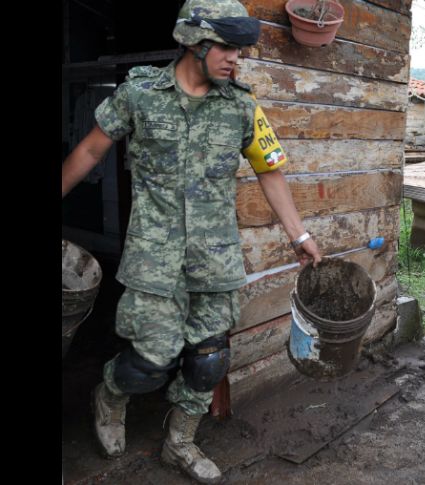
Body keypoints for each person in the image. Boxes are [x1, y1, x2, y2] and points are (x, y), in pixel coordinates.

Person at [61, 1, 322, 482]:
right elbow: (91, 149)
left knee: (209, 360)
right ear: (193, 42)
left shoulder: (242, 106)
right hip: (153, 258)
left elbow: (270, 171)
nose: (235, 58)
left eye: (240, 49)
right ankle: (110, 395)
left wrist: (299, 234)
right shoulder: (140, 95)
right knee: (149, 362)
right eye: (226, 47)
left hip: (214, 257)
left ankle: (180, 443)